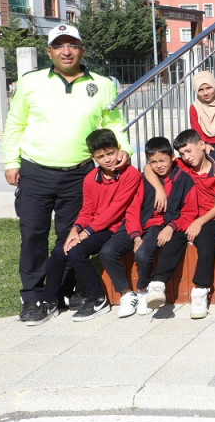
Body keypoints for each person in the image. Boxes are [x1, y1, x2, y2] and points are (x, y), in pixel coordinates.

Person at [3, 23, 133, 325]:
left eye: (72, 44)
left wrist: (123, 148)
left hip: (81, 174)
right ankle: (33, 295)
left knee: (70, 234)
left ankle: (61, 290)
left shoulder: (101, 84)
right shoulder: (31, 82)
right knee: (33, 234)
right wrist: (11, 160)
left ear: (81, 49)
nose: (66, 51)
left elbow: (112, 122)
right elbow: (15, 123)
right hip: (35, 171)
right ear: (49, 51)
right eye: (59, 45)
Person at [41, 128, 143, 323]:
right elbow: (87, 209)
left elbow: (115, 209)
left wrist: (87, 232)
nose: (107, 159)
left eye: (111, 153)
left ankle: (97, 299)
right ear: (93, 157)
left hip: (115, 227)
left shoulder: (130, 175)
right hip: (95, 226)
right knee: (60, 249)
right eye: (101, 156)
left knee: (77, 252)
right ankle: (49, 300)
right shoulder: (90, 178)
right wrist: (75, 229)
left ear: (118, 149)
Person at [105, 136, 197, 318]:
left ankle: (143, 291)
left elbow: (190, 212)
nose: (158, 166)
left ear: (172, 157)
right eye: (153, 162)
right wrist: (135, 235)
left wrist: (171, 226)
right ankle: (125, 293)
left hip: (158, 226)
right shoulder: (144, 178)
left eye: (162, 160)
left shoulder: (183, 179)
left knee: (142, 254)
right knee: (108, 251)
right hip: (136, 225)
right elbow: (132, 209)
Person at [172, 129, 215, 319]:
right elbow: (150, 166)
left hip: (210, 218)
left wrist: (199, 222)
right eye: (182, 154)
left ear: (202, 145)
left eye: (189, 151)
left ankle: (200, 290)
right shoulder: (181, 165)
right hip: (185, 216)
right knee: (168, 239)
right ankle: (155, 285)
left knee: (206, 244)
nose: (186, 157)